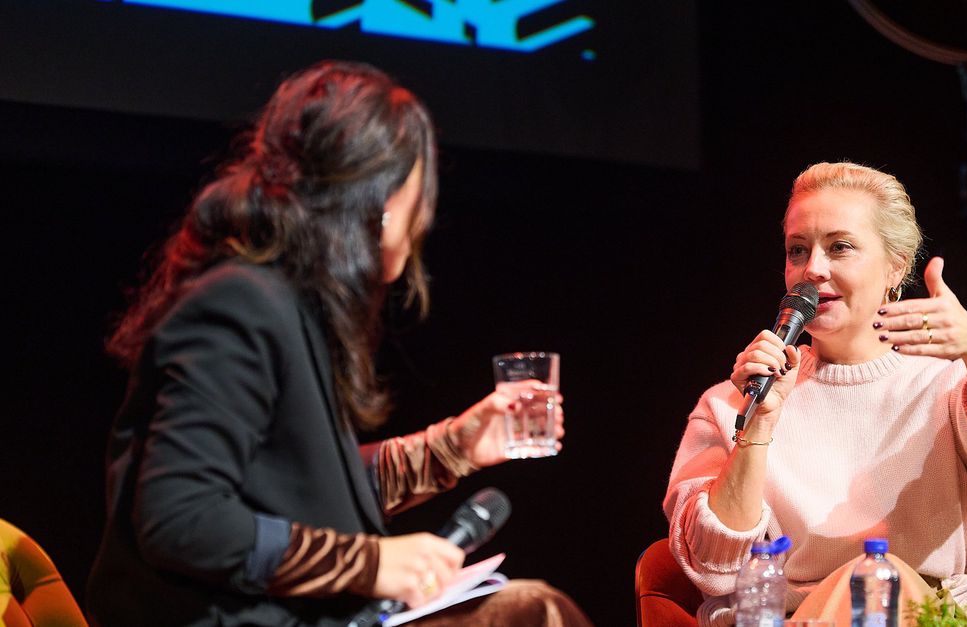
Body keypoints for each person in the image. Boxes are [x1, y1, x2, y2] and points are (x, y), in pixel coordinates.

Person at [86, 60, 592, 627]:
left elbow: (309, 490)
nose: (421, 221)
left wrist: (454, 447)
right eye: (416, 192)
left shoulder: (290, 307)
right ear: (380, 202)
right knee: (534, 613)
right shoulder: (238, 303)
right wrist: (371, 564)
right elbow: (181, 519)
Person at [662, 161, 967, 627]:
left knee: (879, 581)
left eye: (840, 247)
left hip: (919, 616)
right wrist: (759, 423)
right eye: (798, 250)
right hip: (788, 620)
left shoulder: (944, 387)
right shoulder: (731, 403)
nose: (813, 269)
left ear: (896, 266)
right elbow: (713, 567)